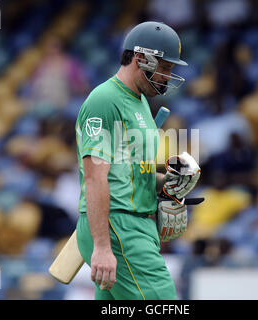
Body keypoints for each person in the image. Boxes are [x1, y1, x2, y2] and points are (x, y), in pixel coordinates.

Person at [74, 21, 201, 300]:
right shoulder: (105, 100)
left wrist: (167, 182)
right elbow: (95, 176)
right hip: (120, 228)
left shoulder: (141, 101)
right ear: (141, 58)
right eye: (165, 67)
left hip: (133, 226)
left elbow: (131, 174)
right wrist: (102, 246)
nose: (168, 76)